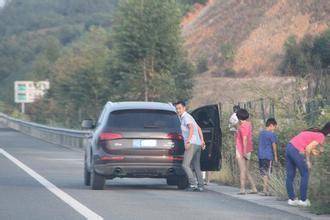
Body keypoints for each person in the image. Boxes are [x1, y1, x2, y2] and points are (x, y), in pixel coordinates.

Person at [286, 122, 329, 207]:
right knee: (305, 173)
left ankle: (292, 199)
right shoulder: (321, 136)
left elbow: (308, 146)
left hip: (289, 147)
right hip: (297, 150)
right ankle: (303, 200)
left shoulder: (314, 132)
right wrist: (308, 161)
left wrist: (314, 152)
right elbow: (308, 148)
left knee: (290, 175)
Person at [175, 101, 206, 192]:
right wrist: (202, 140)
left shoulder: (185, 117)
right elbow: (199, 128)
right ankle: (200, 185)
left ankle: (193, 184)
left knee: (185, 165)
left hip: (191, 143)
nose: (178, 110)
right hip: (197, 143)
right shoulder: (190, 116)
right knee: (196, 165)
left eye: (179, 108)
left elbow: (191, 128)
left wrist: (188, 140)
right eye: (176, 109)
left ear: (184, 108)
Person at [235, 108, 257, 194]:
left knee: (242, 170)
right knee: (247, 170)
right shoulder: (249, 124)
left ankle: (242, 189)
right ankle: (254, 188)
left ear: (238, 117)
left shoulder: (242, 127)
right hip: (249, 149)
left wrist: (243, 151)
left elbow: (244, 139)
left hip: (242, 150)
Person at [258, 118, 278, 196]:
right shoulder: (272, 134)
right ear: (271, 125)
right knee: (268, 173)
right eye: (275, 127)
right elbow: (274, 145)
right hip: (268, 156)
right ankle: (266, 190)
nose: (275, 129)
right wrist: (275, 156)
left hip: (261, 155)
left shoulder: (261, 133)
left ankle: (265, 189)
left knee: (263, 173)